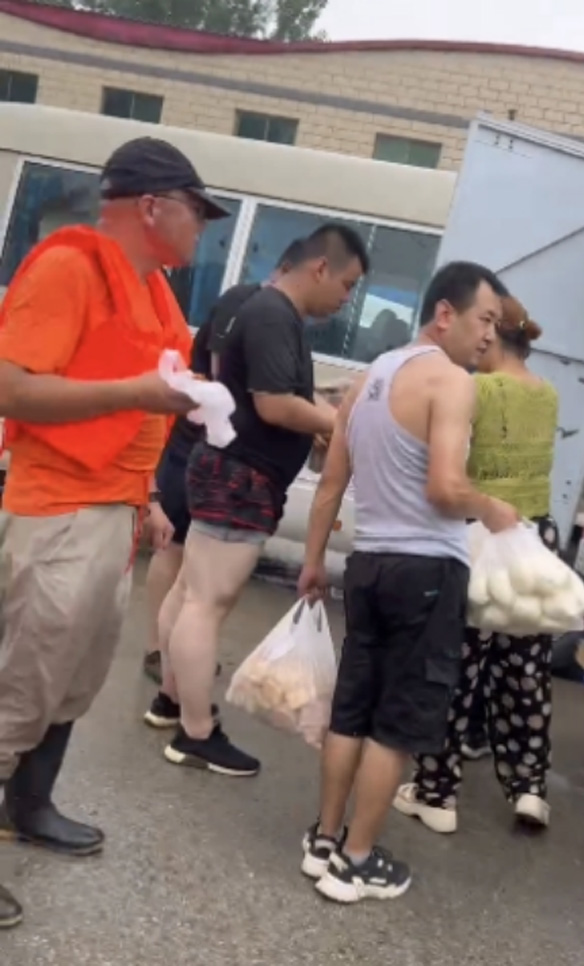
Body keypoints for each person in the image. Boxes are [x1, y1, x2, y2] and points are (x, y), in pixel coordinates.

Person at [0, 136, 227, 929]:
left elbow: (140, 411)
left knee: (73, 682)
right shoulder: (70, 268)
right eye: (196, 210)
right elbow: (11, 389)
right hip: (58, 512)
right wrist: (135, 392)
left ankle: (30, 806)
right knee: (20, 687)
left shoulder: (154, 290)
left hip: (113, 510)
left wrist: (148, 494)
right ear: (152, 206)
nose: (203, 226)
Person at [297, 262, 519, 905]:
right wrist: (492, 507)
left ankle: (324, 840)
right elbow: (445, 489)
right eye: (484, 320)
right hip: (426, 570)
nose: (490, 336)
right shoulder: (450, 381)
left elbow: (331, 483)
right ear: (445, 314)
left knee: (352, 712)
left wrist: (314, 560)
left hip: (368, 564)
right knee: (395, 724)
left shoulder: (368, 377)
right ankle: (356, 862)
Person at [148, 223, 370, 777]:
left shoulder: (273, 313)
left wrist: (319, 411)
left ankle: (172, 699)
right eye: (347, 285)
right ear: (320, 268)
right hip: (240, 476)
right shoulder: (273, 315)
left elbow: (279, 396)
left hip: (227, 469)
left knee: (190, 592)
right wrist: (341, 424)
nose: (346, 299)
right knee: (206, 602)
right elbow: (273, 404)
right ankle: (196, 733)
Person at [394, 294, 560, 834]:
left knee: (456, 669)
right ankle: (530, 788)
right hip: (537, 539)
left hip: (484, 540)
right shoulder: (548, 394)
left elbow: (451, 464)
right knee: (525, 670)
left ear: (494, 336)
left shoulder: (478, 389)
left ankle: (436, 793)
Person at [142, 239, 306, 688]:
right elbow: (221, 375)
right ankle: (159, 650)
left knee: (196, 574)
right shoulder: (247, 303)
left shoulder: (273, 313)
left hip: (216, 446)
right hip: (199, 442)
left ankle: (179, 659)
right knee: (177, 553)